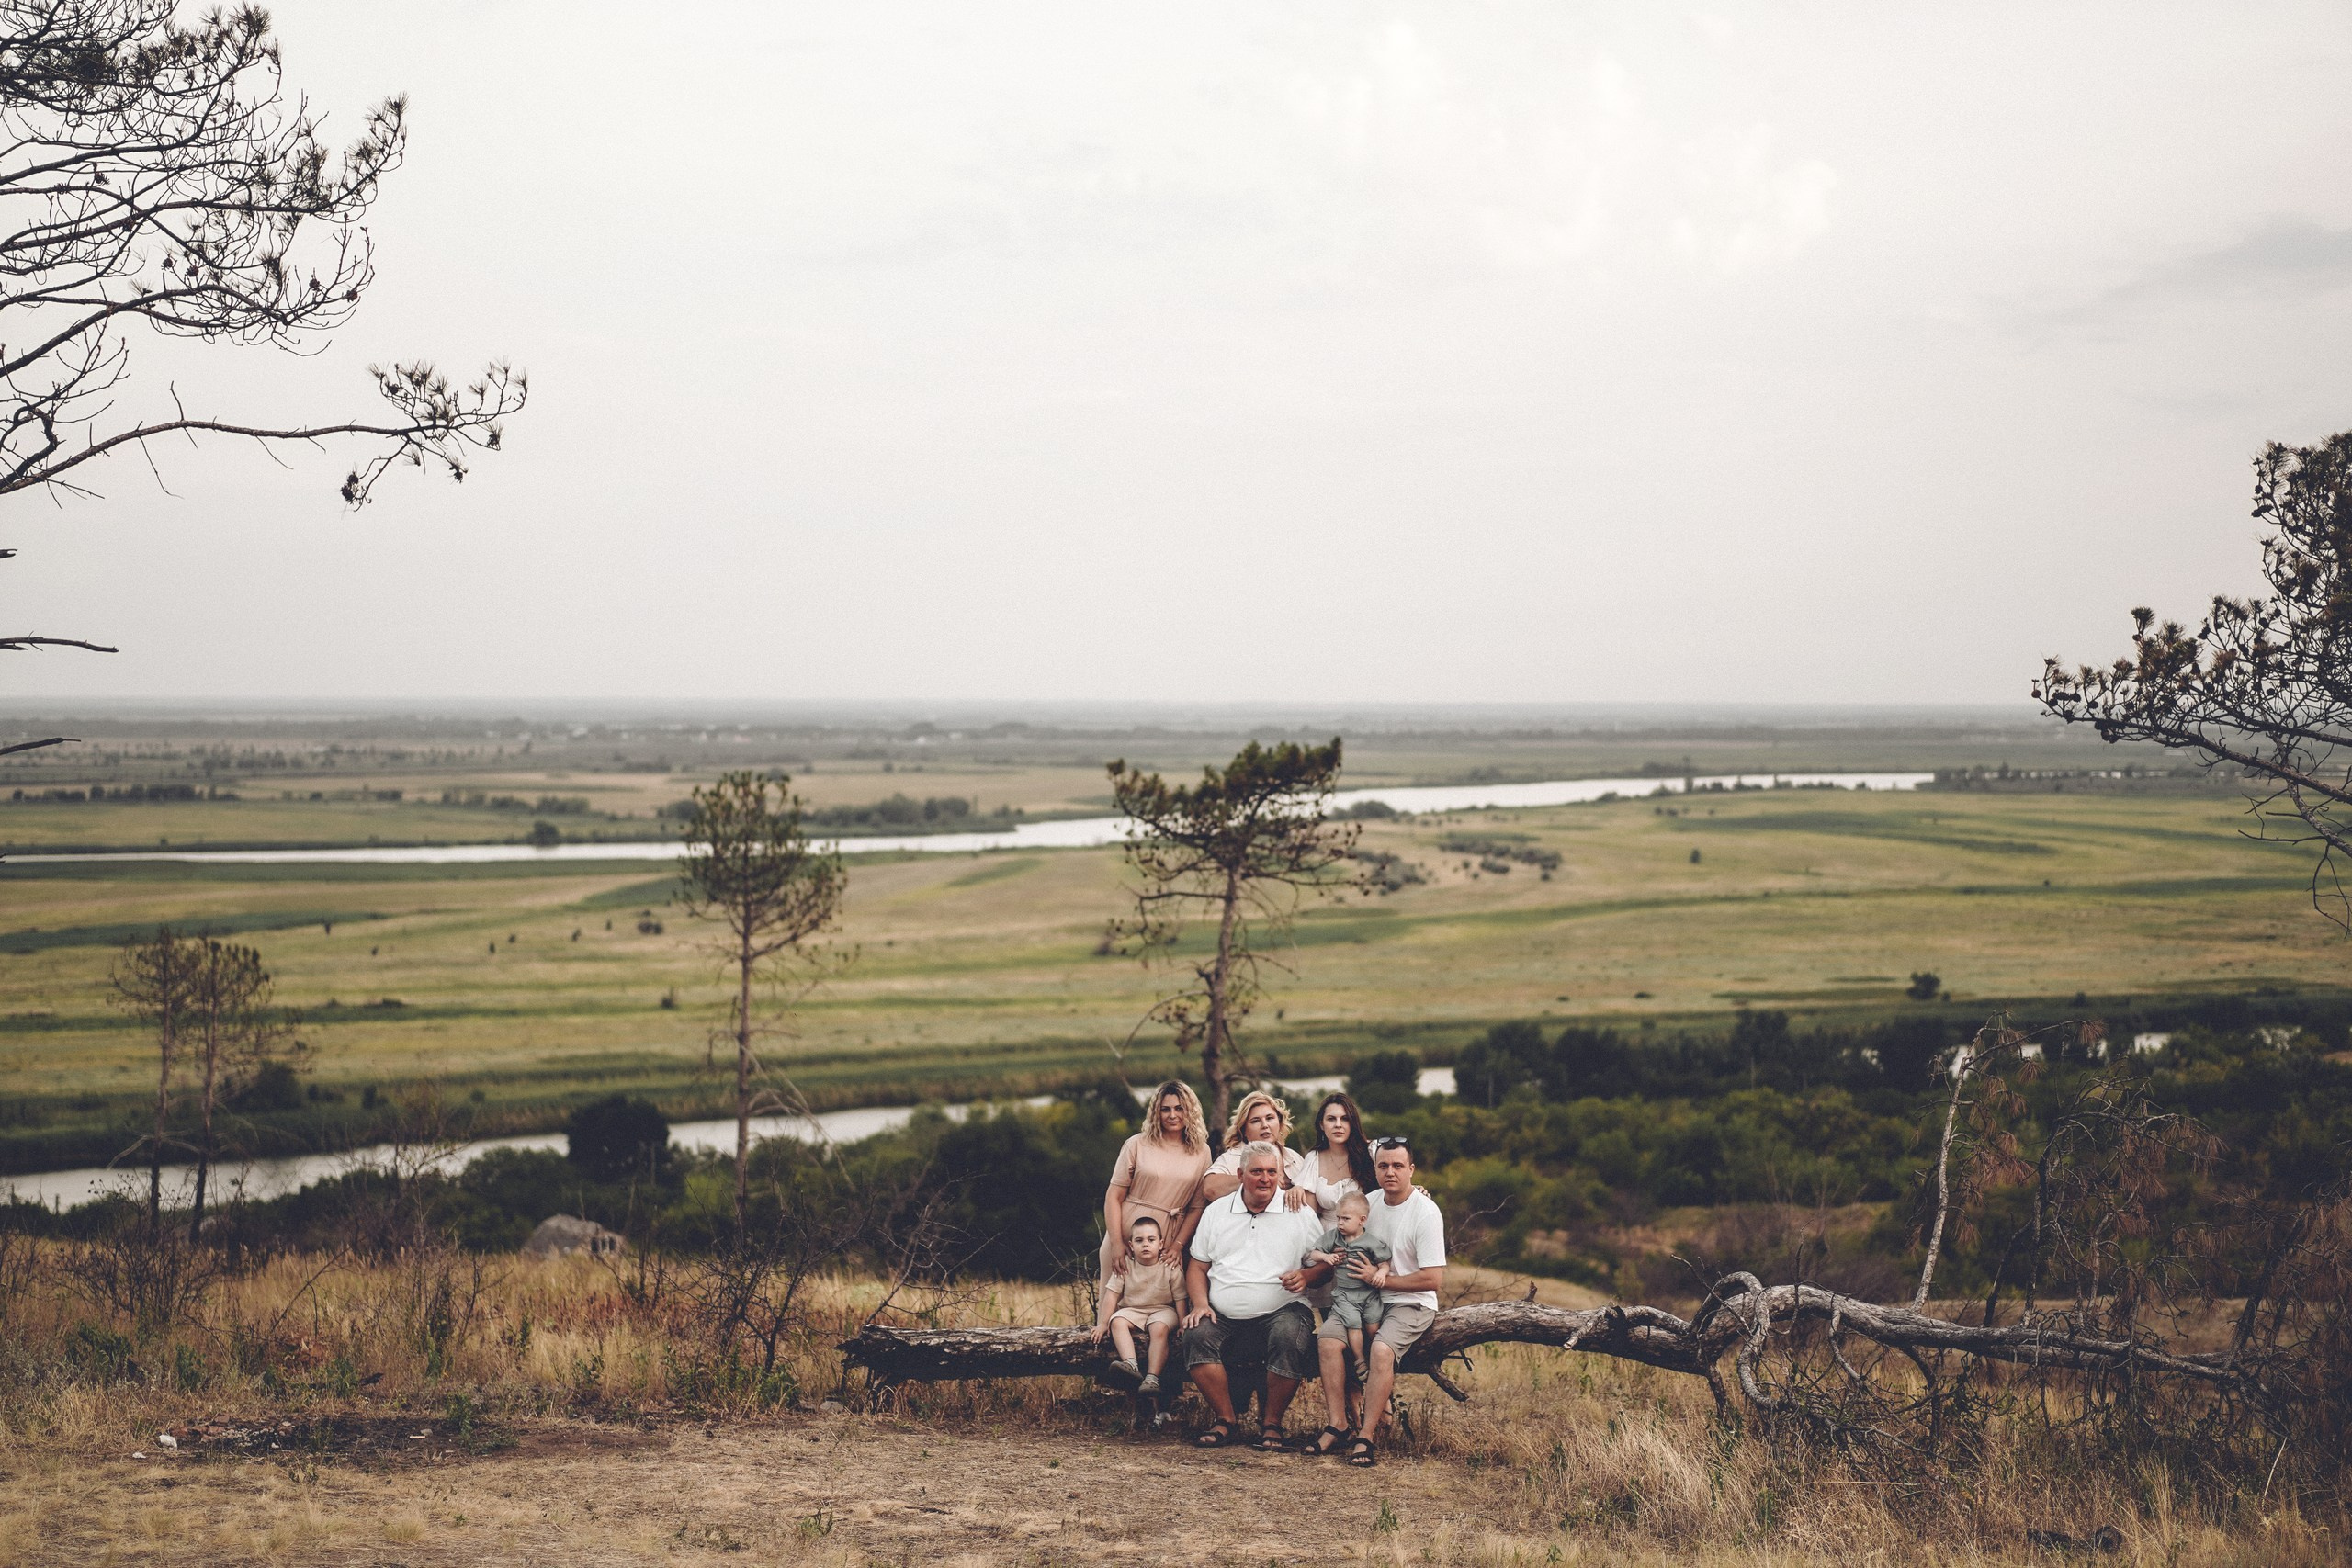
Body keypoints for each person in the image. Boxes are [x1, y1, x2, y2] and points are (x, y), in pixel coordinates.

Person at [1304, 1136, 1445, 1466]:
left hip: (1412, 1301)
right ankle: (1338, 1424)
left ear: (1411, 1169)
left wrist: (1379, 1278)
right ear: (1376, 1169)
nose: (1390, 1172)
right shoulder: (1367, 1205)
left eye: (1398, 1166)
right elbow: (1340, 1238)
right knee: (1327, 1341)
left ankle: (1366, 1436)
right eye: (1383, 1166)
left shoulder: (1425, 1212)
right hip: (1363, 1298)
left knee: (1381, 1349)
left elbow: (1432, 1278)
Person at [1181, 1141, 1330, 1451]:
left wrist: (1305, 1276)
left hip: (1283, 1307)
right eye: (1257, 1171)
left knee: (1290, 1334)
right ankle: (1226, 1419)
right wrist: (1200, 1304)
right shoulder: (1217, 1212)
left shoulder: (1298, 1212)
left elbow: (1324, 1266)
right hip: (1222, 1313)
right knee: (1195, 1334)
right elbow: (1197, 1267)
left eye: (1272, 1172)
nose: (1265, 1178)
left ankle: (1272, 1423)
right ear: (1240, 1174)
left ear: (1280, 1175)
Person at [1099, 1080, 1211, 1293]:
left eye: (1180, 1109)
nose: (1172, 1115)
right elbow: (1113, 1197)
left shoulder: (1201, 1151)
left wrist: (1177, 1246)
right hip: (1126, 1239)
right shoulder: (1137, 1144)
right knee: (1113, 1308)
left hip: (1168, 1246)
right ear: (1156, 1113)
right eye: (1165, 1109)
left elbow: (1198, 1207)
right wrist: (1116, 1243)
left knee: (1162, 1312)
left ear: (1190, 1112)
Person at [1301, 1192, 1389, 1386]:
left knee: (1373, 1326)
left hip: (1368, 1294)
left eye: (1345, 1219)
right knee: (1353, 1324)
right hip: (1346, 1296)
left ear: (1362, 1220)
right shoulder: (1334, 1238)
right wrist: (1326, 1258)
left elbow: (1384, 1262)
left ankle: (1376, 1359)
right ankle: (1359, 1360)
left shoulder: (1370, 1241)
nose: (1340, 1223)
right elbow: (1314, 1253)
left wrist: (1381, 1273)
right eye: (1338, 1218)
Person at [1091, 1213, 1184, 1393]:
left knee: (1159, 1328)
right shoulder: (1126, 1264)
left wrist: (1182, 1324)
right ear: (1131, 1246)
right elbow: (1111, 1295)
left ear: (1161, 1243)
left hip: (1163, 1310)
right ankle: (1130, 1364)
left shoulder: (1169, 1266)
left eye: (1151, 1239)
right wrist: (1103, 1323)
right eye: (1139, 1240)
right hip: (1133, 1309)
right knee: (1117, 1322)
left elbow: (1181, 1298)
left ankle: (1152, 1378)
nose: (1146, 1244)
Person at [1198, 1090, 1313, 1209]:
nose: (1264, 1125)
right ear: (1244, 1130)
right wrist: (1252, 1181)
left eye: (1269, 1118)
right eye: (1256, 1121)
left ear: (1279, 1122)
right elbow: (1210, 1189)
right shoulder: (1234, 1156)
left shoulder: (1292, 1156)